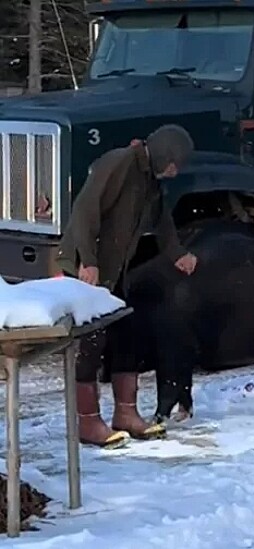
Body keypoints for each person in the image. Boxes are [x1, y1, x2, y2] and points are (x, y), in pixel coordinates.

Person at [55, 124, 198, 449]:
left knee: (127, 335)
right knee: (92, 342)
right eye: (175, 163)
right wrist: (87, 259)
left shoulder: (150, 179)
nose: (176, 171)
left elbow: (162, 221)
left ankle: (126, 414)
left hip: (114, 271)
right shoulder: (120, 163)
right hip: (87, 265)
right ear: (164, 153)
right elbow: (85, 209)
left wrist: (178, 254)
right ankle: (88, 423)